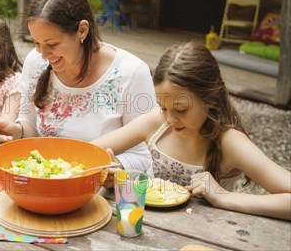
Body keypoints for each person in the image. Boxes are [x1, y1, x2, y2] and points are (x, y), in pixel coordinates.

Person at [92, 41, 291, 220]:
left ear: (210, 99)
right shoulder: (157, 123)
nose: (170, 118)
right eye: (163, 107)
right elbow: (87, 152)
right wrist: (110, 175)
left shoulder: (230, 143)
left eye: (181, 109)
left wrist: (224, 197)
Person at [0, 0, 155, 174]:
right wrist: (15, 131)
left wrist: (118, 167)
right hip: (48, 183)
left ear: (82, 30)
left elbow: (144, 156)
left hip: (108, 193)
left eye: (52, 44)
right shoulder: (36, 62)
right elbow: (30, 125)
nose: (43, 54)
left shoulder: (131, 73)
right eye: (37, 43)